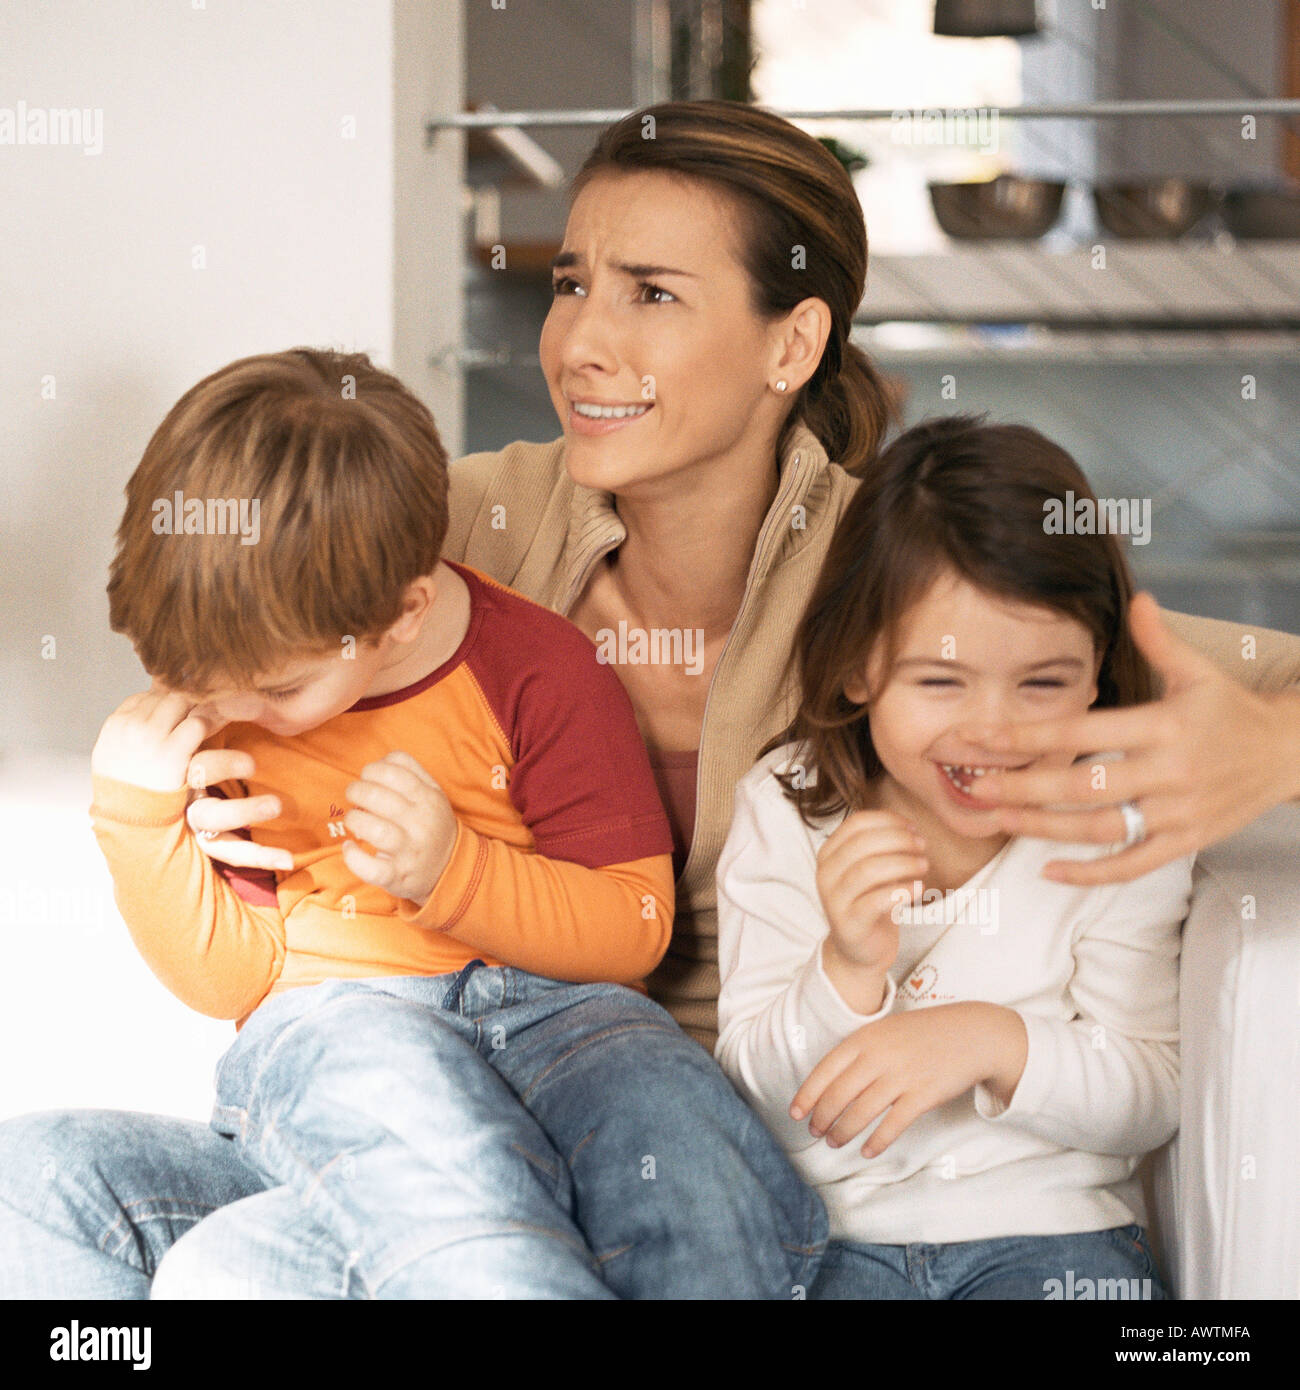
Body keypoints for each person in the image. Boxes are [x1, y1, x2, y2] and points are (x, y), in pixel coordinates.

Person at [3, 99, 1298, 1299]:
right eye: (571, 282)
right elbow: (230, 618)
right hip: (422, 1095)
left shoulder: (905, 580)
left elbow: (1202, 674)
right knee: (45, 1180)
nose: (580, 340)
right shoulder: (457, 521)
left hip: (701, 1153)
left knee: (252, 1269)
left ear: (792, 341)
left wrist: (1264, 749)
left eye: (651, 293)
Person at [0, 346, 821, 1300]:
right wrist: (140, 819)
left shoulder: (540, 667)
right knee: (33, 1178)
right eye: (197, 681)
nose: (234, 711)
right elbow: (238, 978)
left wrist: (454, 874)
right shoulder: (222, 707)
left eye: (279, 688)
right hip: (338, 1033)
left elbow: (633, 932)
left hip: (558, 1018)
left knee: (673, 1121)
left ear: (401, 615)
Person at [716, 414, 1192, 1300]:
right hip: (836, 1250)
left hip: (1055, 1243)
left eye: (1043, 683)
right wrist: (847, 970)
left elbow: (1151, 1093)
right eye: (941, 680)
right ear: (859, 667)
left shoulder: (1124, 821)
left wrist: (989, 1042)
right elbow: (759, 1098)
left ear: (1098, 674)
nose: (994, 730)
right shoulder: (785, 808)